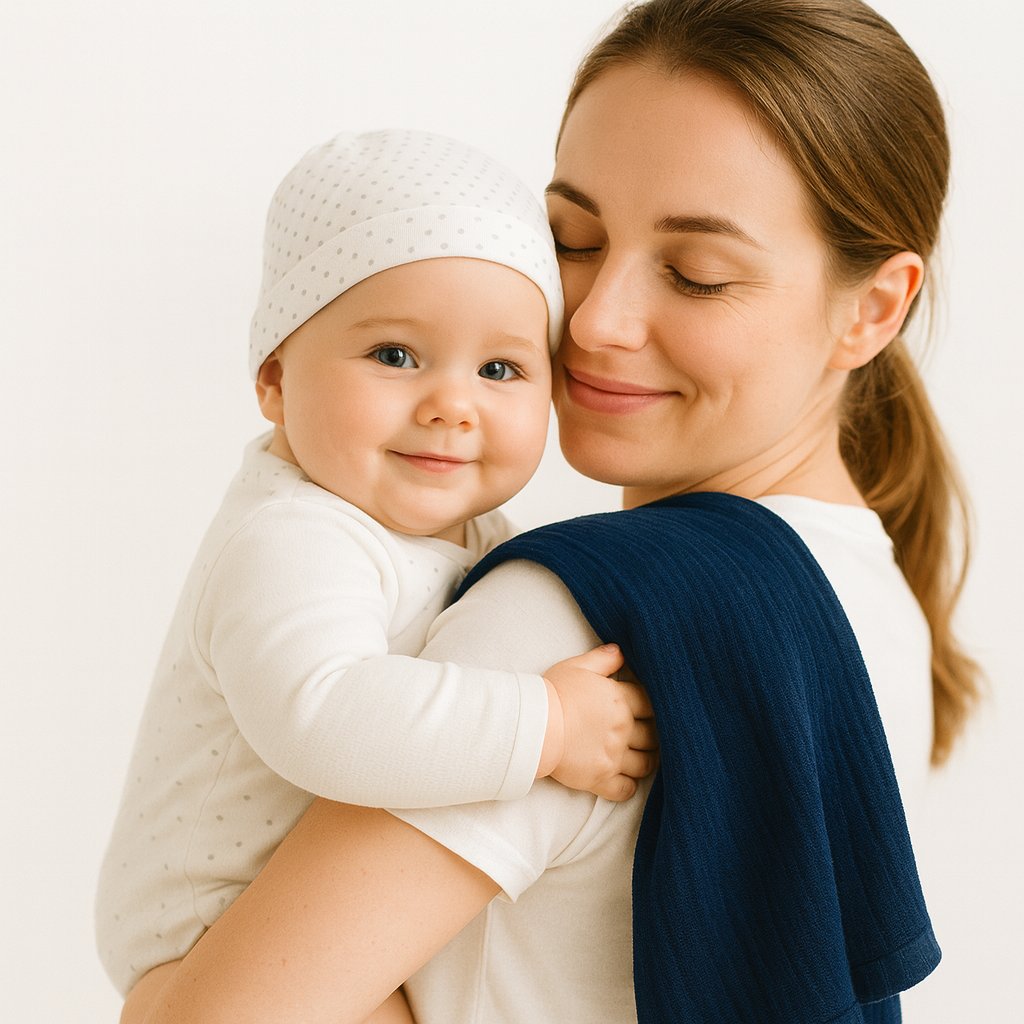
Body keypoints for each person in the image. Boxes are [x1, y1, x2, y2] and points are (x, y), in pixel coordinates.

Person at [127, 2, 983, 1022]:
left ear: (873, 308)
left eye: (695, 274)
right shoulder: (883, 600)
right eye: (570, 238)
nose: (597, 319)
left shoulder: (572, 620)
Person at [95, 129, 657, 1022]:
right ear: (275, 379)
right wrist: (545, 723)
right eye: (395, 355)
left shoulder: (469, 532)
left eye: (502, 368)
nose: (451, 402)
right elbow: (324, 716)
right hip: (213, 936)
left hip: (319, 921)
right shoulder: (294, 537)